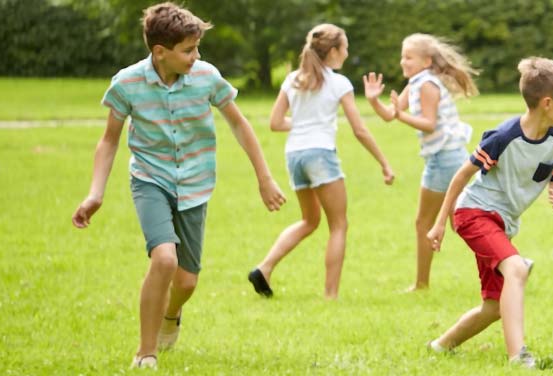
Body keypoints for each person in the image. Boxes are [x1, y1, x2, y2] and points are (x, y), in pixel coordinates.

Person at [70, 2, 286, 369]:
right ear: (160, 52)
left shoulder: (205, 77)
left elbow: (238, 123)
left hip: (196, 184)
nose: (196, 56)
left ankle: (172, 315)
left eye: (197, 48)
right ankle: (146, 351)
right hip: (150, 180)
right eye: (188, 50)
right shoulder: (128, 83)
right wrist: (95, 192)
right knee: (165, 259)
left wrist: (264, 177)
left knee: (186, 283)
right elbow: (109, 140)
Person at [425, 57, 553, 369]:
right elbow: (461, 177)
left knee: (494, 306)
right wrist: (440, 223)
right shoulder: (503, 137)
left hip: (503, 223)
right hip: (473, 213)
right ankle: (518, 357)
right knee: (517, 270)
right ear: (547, 103)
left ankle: (440, 346)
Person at [247, 24, 395, 300]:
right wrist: (384, 163)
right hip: (321, 154)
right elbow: (359, 129)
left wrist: (304, 123)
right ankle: (331, 295)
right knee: (338, 225)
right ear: (335, 52)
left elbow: (276, 123)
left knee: (309, 220)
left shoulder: (293, 79)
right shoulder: (338, 83)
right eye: (345, 48)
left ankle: (264, 268)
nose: (347, 54)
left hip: (295, 155)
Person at [362, 33, 478, 291]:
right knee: (462, 222)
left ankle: (422, 285)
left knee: (426, 223)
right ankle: (511, 264)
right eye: (402, 56)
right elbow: (391, 115)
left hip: (444, 160)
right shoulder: (416, 82)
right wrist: (373, 100)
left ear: (426, 61)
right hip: (449, 157)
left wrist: (402, 116)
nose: (403, 61)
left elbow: (429, 124)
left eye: (409, 57)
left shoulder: (426, 85)